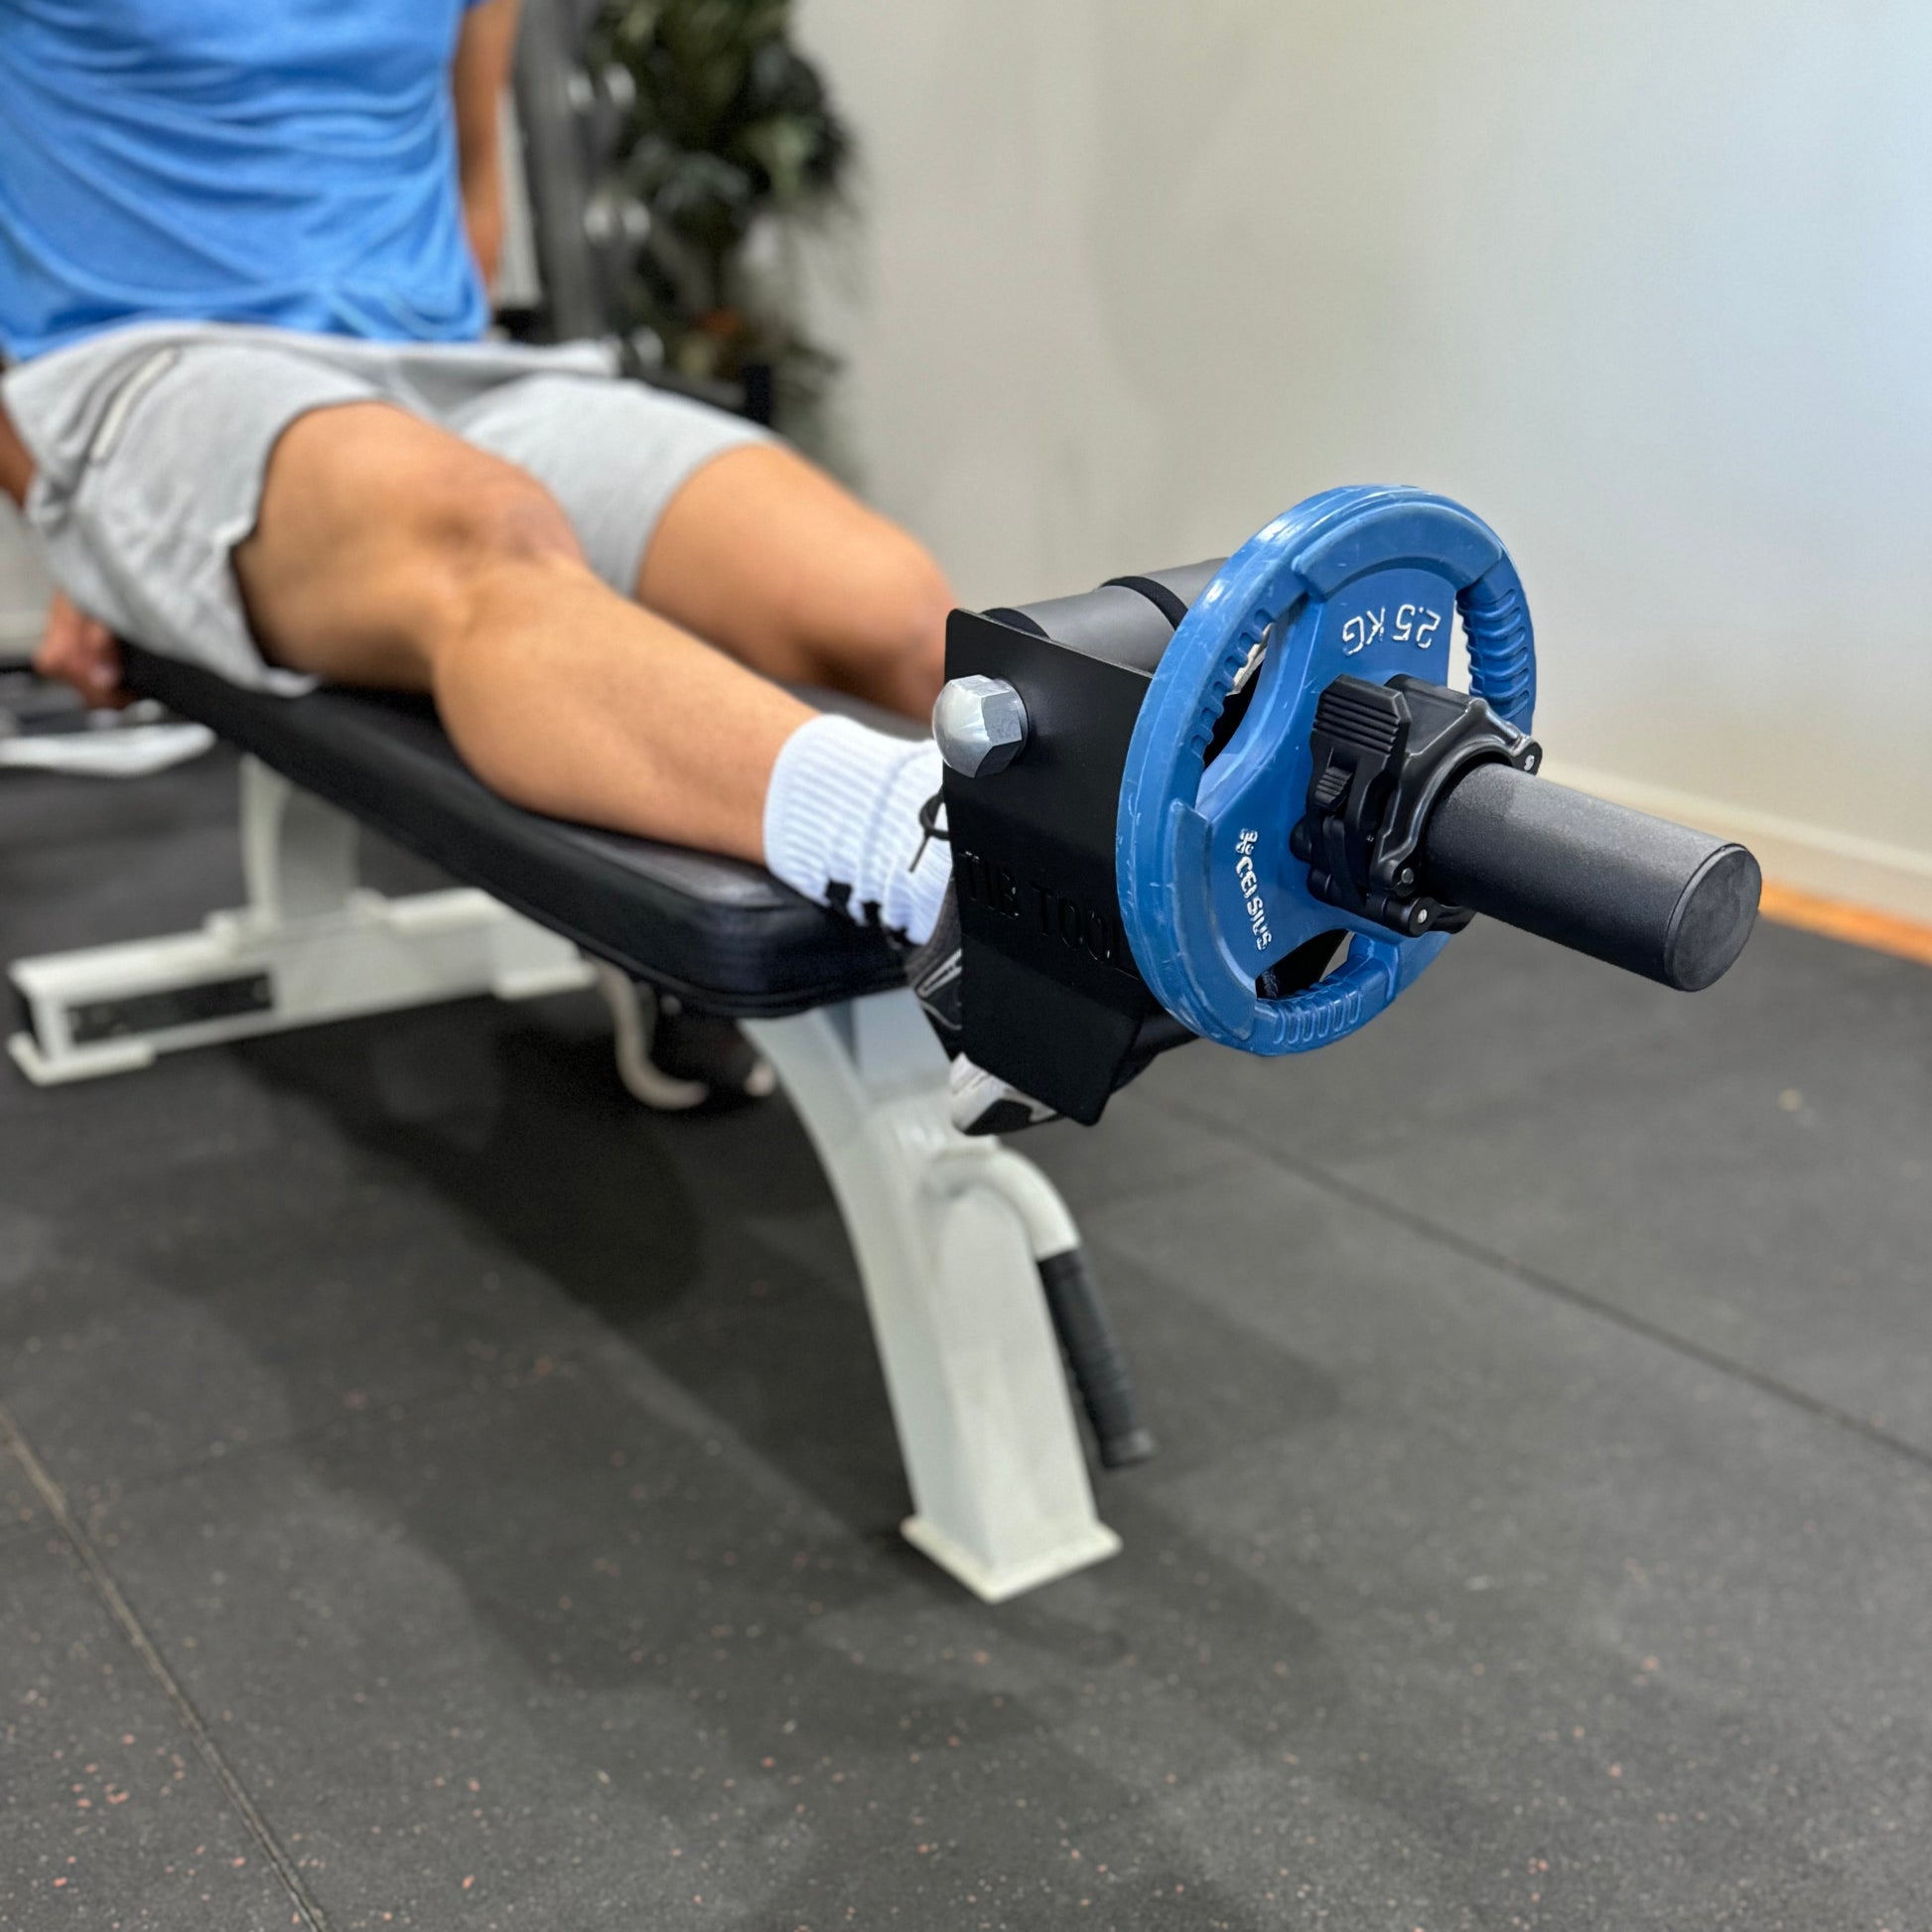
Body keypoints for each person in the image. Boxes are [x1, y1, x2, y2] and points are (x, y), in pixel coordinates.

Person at [0, 0, 1050, 1130]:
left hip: (450, 366)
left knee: (884, 607)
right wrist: (79, 515)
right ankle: (914, 849)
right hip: (156, 374)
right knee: (486, 534)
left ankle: (1054, 877)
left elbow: (470, 171)